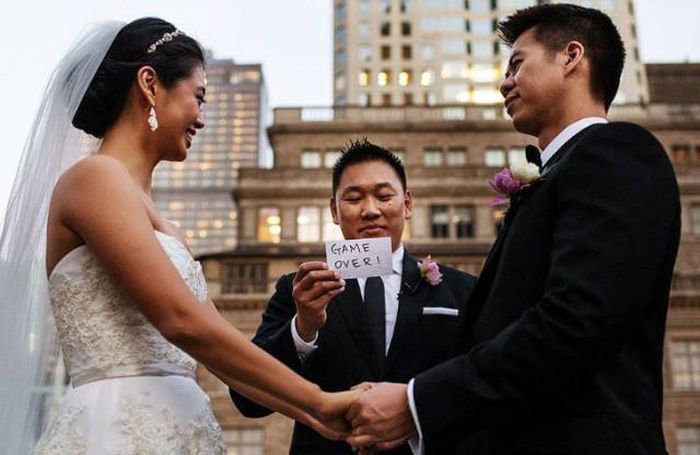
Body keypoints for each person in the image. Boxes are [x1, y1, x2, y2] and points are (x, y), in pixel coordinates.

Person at [0, 18, 354, 454]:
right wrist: (319, 402)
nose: (201, 119)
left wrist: (319, 413)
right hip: (114, 431)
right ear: (149, 84)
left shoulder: (169, 228)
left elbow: (219, 350)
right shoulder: (93, 178)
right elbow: (181, 321)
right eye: (197, 97)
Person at [346, 4, 681, 454]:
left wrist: (416, 403)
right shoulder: (557, 173)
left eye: (516, 64)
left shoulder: (616, 152)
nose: (505, 82)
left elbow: (575, 323)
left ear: (571, 57)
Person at [230, 139, 476, 454]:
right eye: (354, 198)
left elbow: (483, 384)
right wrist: (303, 328)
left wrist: (418, 406)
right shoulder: (299, 289)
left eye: (384, 196)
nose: (370, 210)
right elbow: (248, 400)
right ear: (335, 210)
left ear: (407, 204)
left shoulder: (461, 289)